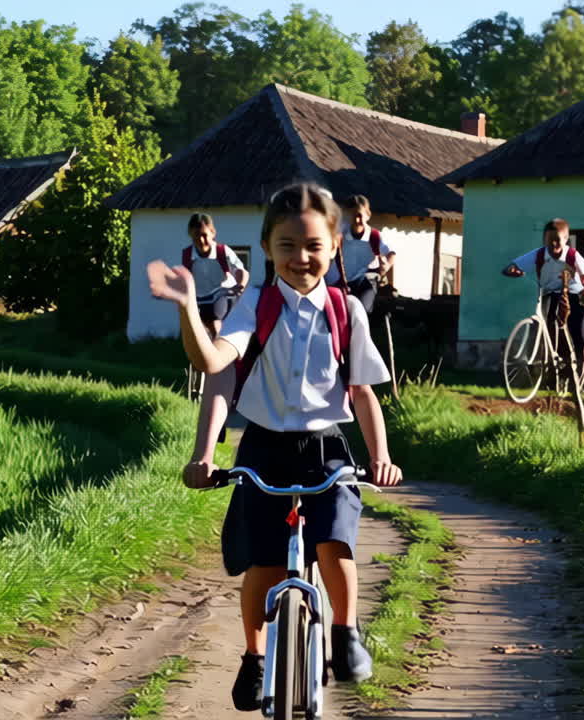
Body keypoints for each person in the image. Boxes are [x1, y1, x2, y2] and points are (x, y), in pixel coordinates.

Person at [147, 182, 403, 711]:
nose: (301, 258)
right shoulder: (254, 305)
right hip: (263, 447)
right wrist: (187, 309)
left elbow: (361, 393)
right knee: (262, 564)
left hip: (326, 448)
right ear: (267, 248)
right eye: (287, 246)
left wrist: (379, 456)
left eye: (313, 245)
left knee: (335, 540)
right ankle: (254, 656)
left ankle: (345, 631)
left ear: (334, 245)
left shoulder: (346, 310)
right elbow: (214, 363)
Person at [502, 218, 584, 371]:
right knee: (547, 325)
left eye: (557, 240)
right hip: (549, 295)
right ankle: (552, 362)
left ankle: (582, 356)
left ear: (566, 240)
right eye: (549, 240)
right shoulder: (538, 255)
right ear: (544, 240)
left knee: (577, 329)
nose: (553, 244)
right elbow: (511, 266)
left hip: (573, 294)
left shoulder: (572, 256)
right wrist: (513, 271)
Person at [325, 195, 394, 315]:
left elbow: (391, 254)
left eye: (359, 215)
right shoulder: (339, 234)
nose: (356, 220)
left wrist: (386, 266)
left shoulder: (373, 236)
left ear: (368, 215)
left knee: (361, 311)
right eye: (351, 216)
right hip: (337, 282)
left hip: (363, 281)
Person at [184, 213, 249, 335]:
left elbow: (241, 271)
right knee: (199, 331)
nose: (201, 240)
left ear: (213, 233)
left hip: (223, 295)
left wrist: (240, 286)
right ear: (190, 235)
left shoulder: (222, 251)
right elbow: (185, 278)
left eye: (204, 235)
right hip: (201, 299)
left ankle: (219, 347)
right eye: (196, 236)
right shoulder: (188, 255)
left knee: (215, 323)